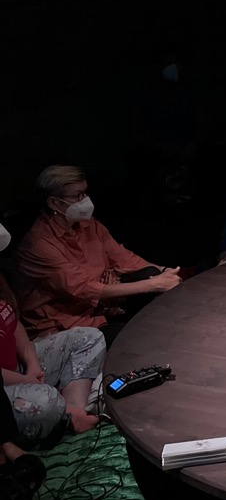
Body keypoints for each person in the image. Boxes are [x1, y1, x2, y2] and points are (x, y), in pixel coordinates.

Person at [15, 166, 182, 340]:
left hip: (98, 307)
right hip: (65, 323)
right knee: (137, 333)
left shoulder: (88, 224)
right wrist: (154, 284)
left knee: (150, 273)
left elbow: (122, 257)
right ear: (54, 203)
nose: (85, 200)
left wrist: (163, 271)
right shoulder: (39, 245)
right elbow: (85, 289)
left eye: (85, 193)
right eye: (77, 195)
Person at [1, 273, 103, 442]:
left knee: (89, 337)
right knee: (45, 402)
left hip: (19, 368)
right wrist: (25, 380)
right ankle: (65, 416)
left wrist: (32, 363)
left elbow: (12, 321)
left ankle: (75, 411)